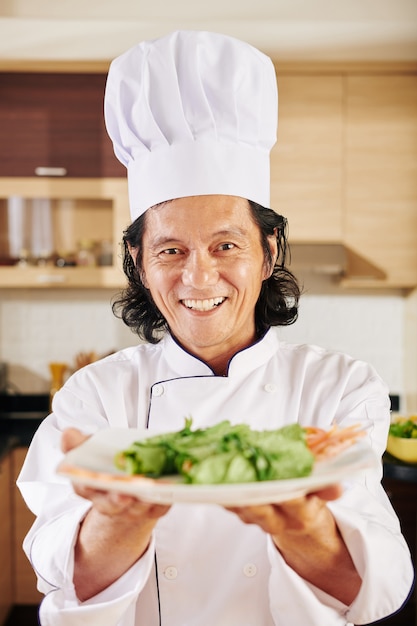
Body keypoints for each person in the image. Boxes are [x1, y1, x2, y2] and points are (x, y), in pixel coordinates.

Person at [18, 31, 413, 626]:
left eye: (225, 244)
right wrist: (119, 521)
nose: (198, 277)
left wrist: (305, 530)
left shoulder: (339, 388)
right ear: (138, 262)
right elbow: (63, 577)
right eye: (171, 250)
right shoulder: (94, 397)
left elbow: (375, 588)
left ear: (268, 250)